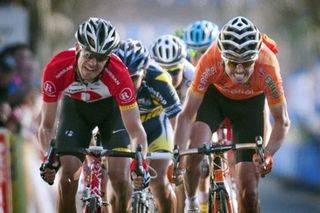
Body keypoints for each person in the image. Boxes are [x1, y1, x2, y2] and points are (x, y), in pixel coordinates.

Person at [173, 16, 291, 213]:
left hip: (250, 107)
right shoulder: (210, 59)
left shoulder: (268, 64)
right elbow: (186, 115)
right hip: (215, 100)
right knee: (195, 151)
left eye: (246, 63)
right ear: (222, 56)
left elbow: (282, 121)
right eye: (233, 62)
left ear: (255, 57)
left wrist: (268, 153)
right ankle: (192, 203)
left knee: (250, 192)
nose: (238, 70)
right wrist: (177, 155)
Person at [38, 17, 149, 213]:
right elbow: (46, 126)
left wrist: (139, 163)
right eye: (89, 55)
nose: (93, 63)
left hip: (111, 113)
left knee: (121, 180)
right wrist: (50, 157)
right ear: (77, 48)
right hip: (75, 112)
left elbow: (135, 129)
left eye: (101, 57)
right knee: (67, 180)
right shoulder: (56, 68)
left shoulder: (119, 74)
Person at [115, 39, 181, 213]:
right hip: (123, 126)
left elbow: (177, 119)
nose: (127, 83)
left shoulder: (158, 79)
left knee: (159, 182)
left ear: (144, 72)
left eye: (134, 78)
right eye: (123, 77)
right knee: (119, 182)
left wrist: (179, 153)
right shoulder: (108, 78)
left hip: (155, 126)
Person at [150, 34, 195, 213]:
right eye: (163, 71)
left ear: (183, 67)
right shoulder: (150, 77)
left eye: (174, 72)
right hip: (159, 119)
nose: (167, 77)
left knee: (182, 167)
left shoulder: (192, 76)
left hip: (186, 117)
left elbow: (199, 116)